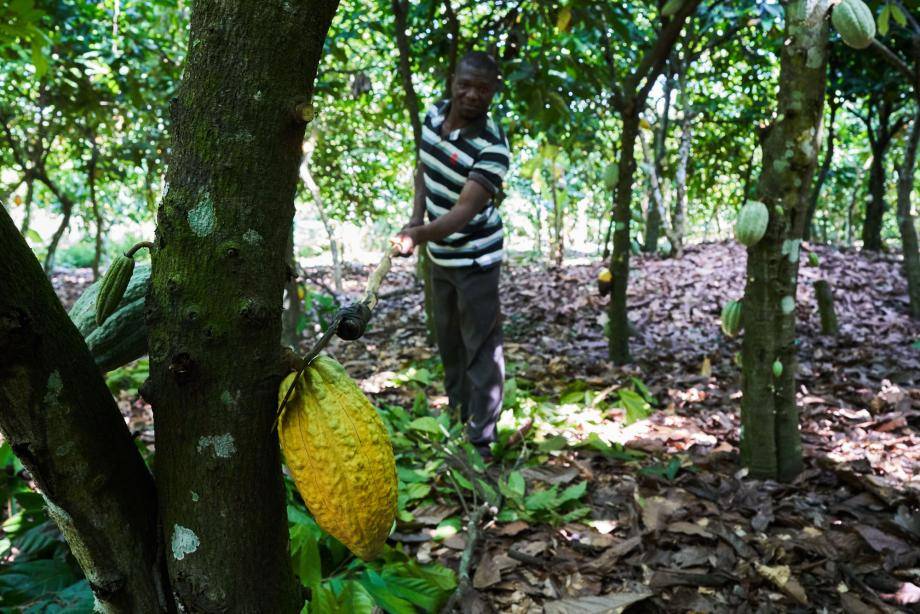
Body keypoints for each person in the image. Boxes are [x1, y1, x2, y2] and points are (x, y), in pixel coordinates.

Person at [392, 51, 510, 461]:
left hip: (476, 258)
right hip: (440, 257)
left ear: (493, 91)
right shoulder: (433, 116)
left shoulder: (492, 147)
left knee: (481, 347)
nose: (473, 94)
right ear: (453, 81)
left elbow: (463, 212)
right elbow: (424, 171)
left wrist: (417, 235)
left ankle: (481, 441)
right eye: (466, 85)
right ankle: (460, 416)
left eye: (483, 88)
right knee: (449, 341)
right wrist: (415, 220)